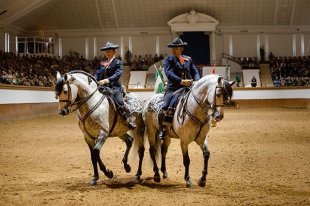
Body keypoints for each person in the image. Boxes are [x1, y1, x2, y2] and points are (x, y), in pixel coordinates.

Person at [158, 37, 200, 140]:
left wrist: (197, 81)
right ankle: (162, 129)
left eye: (176, 48)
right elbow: (169, 73)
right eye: (173, 48)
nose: (174, 50)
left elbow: (195, 71)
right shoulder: (169, 60)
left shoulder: (188, 59)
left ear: (181, 48)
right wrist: (181, 81)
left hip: (189, 88)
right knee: (165, 106)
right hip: (173, 88)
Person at [95, 41, 136, 129]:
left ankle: (127, 120)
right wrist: (93, 79)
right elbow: (97, 74)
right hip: (102, 87)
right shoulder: (102, 63)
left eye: (109, 51)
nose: (107, 53)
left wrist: (106, 80)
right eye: (106, 51)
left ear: (114, 52)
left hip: (114, 87)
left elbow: (117, 75)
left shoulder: (118, 62)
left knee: (119, 102)